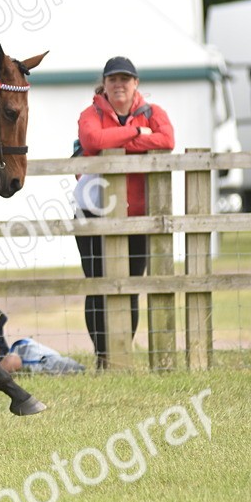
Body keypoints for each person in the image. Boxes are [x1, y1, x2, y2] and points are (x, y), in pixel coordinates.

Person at [73, 56, 175, 368]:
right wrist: (137, 135)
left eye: (125, 79)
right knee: (98, 285)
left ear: (136, 83)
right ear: (104, 84)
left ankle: (120, 354)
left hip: (137, 214)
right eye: (113, 79)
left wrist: (119, 141)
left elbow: (167, 140)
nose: (119, 85)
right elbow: (92, 140)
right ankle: (103, 354)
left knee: (130, 286)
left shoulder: (154, 112)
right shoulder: (90, 114)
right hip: (93, 211)